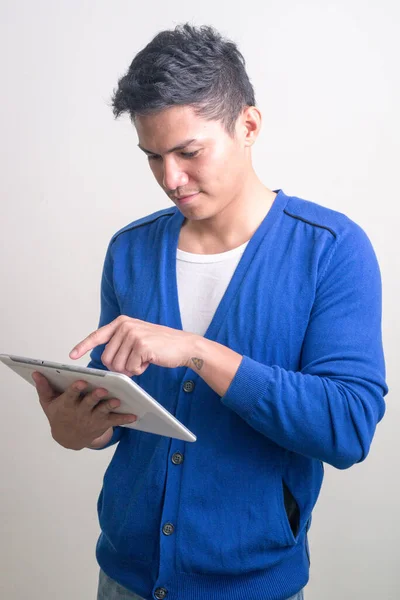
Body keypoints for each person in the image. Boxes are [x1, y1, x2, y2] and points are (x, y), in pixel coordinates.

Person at [32, 23, 388, 600]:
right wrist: (80, 430)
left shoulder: (331, 250)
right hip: (125, 577)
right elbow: (122, 410)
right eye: (153, 157)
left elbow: (347, 428)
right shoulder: (131, 249)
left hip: (252, 587)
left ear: (249, 125)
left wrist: (198, 351)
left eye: (188, 152)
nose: (171, 179)